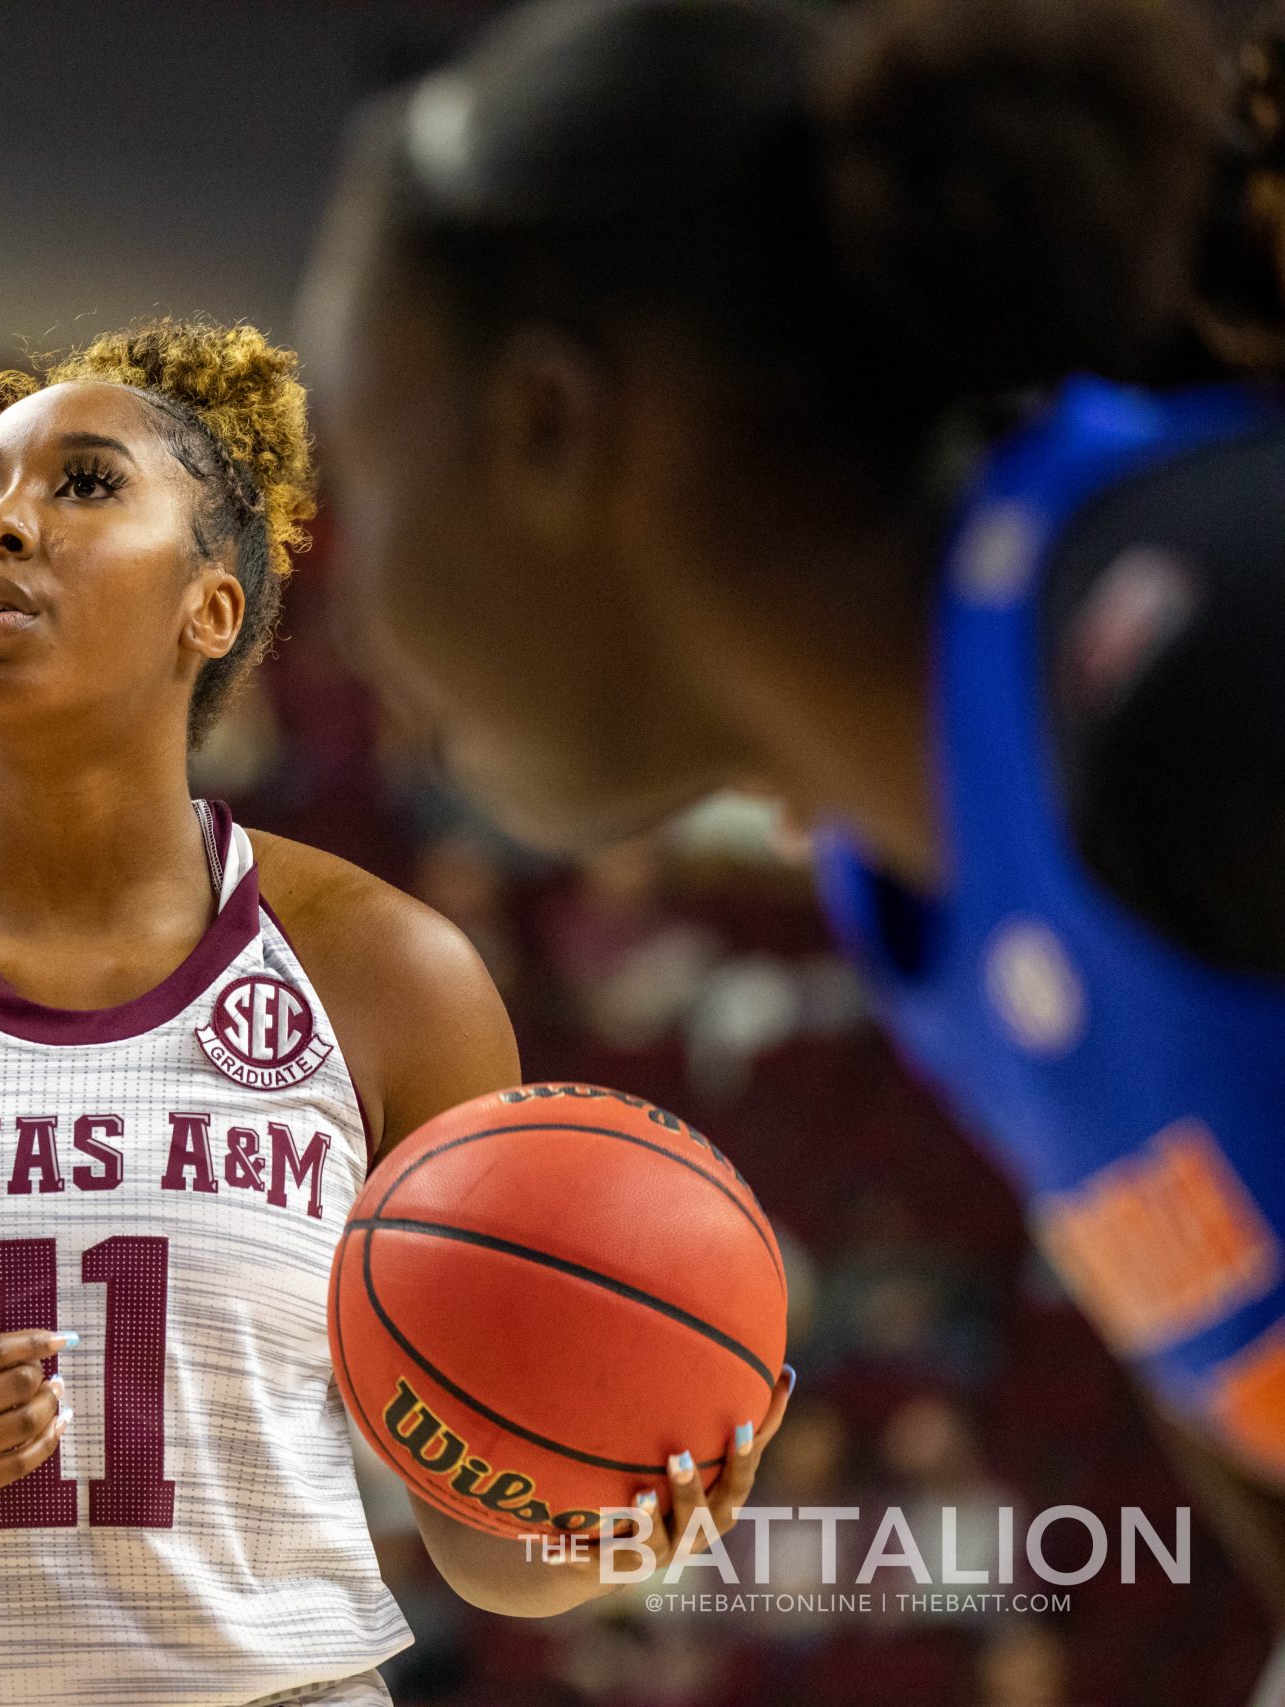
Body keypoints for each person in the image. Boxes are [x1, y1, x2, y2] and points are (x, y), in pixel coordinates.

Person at [0, 317, 795, 1704]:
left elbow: (481, 1542)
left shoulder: (389, 975)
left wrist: (601, 1525)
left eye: (84, 483)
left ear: (210, 606)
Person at [298, 0, 1285, 1612]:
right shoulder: (909, 862)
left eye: (363, 471)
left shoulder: (1192, 638)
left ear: (550, 430)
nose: (342, 620)